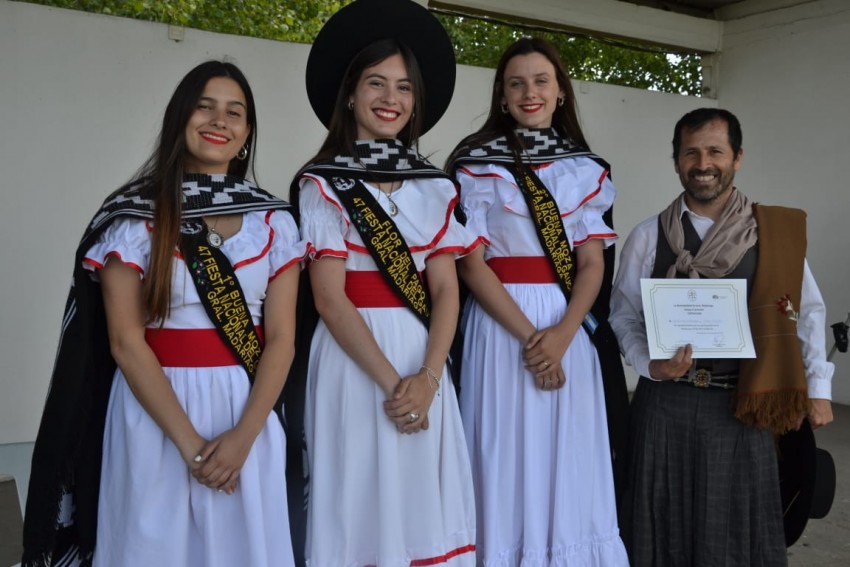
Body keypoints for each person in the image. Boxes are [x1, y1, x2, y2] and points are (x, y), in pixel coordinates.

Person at [22, 61, 304, 567]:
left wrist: (241, 440)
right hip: (155, 416)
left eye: (234, 113)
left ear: (246, 134)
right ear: (180, 118)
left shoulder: (273, 220)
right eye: (205, 106)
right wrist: (193, 446)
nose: (220, 120)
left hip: (248, 413)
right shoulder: (134, 217)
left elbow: (281, 338)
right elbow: (126, 343)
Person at [291, 0, 478, 565]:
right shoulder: (322, 184)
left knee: (422, 504)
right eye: (376, 83)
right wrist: (396, 385)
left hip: (424, 358)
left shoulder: (433, 186)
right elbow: (328, 296)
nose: (389, 99)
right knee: (359, 499)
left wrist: (426, 379)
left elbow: (446, 289)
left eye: (403, 87)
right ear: (350, 93)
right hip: (354, 364)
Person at [609, 107, 834, 566]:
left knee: (734, 526)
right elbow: (622, 314)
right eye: (691, 152)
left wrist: (819, 389)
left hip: (743, 404)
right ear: (676, 161)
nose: (703, 162)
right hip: (664, 401)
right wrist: (649, 364)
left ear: (737, 158)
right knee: (656, 519)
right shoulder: (649, 235)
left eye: (715, 150)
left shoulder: (773, 232)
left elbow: (806, 312)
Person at [446, 37, 629, 566]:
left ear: (560, 93)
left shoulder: (586, 168)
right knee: (502, 452)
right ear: (502, 96)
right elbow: (471, 264)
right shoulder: (475, 165)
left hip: (566, 325)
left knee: (567, 456)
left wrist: (565, 334)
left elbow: (592, 264)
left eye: (541, 81)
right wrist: (533, 339)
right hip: (501, 326)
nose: (530, 93)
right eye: (517, 83)